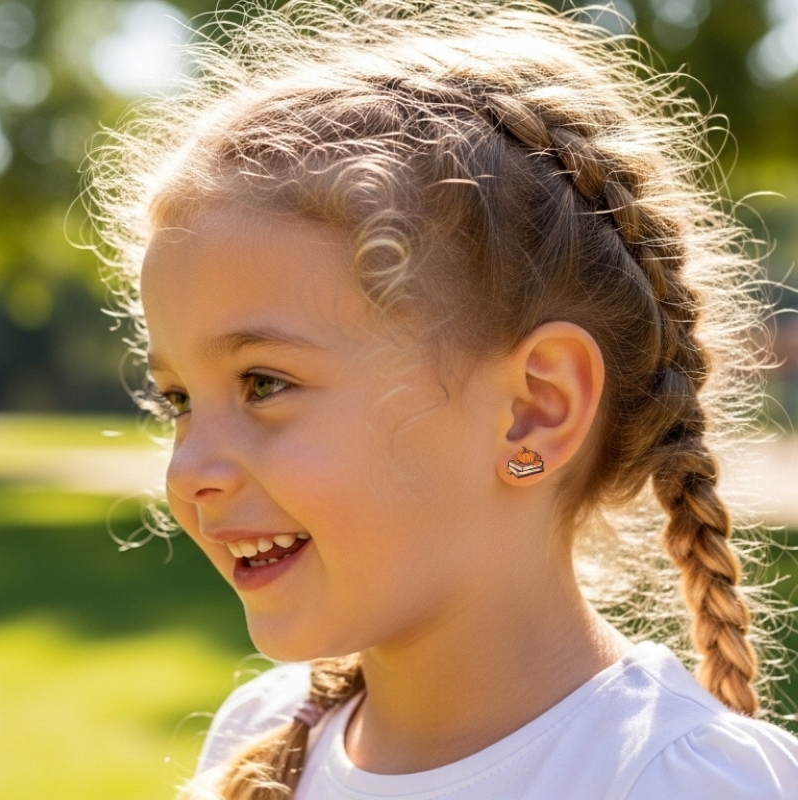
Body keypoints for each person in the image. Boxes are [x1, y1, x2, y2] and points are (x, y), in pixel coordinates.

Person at [86, 1, 798, 798]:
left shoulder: (674, 780)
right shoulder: (262, 736)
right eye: (179, 399)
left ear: (534, 408)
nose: (188, 473)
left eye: (263, 384)